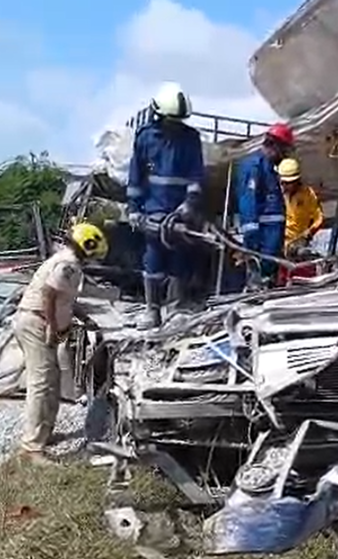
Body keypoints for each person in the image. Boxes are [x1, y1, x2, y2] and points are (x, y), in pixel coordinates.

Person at [12, 222, 107, 465]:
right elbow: (48, 294)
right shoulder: (68, 265)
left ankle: (43, 434)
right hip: (37, 322)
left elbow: (64, 299)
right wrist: (53, 328)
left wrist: (82, 317)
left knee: (51, 380)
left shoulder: (65, 260)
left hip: (37, 320)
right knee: (41, 383)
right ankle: (31, 449)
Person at [126, 82, 205, 329]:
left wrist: (189, 205)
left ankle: (176, 307)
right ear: (158, 115)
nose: (175, 126)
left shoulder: (191, 139)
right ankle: (152, 311)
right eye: (171, 121)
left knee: (180, 259)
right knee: (153, 260)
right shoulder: (146, 138)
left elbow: (196, 177)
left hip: (180, 211)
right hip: (152, 210)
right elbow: (136, 178)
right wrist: (134, 209)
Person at [235, 123, 295, 288]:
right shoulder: (254, 167)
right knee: (258, 286)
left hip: (272, 246)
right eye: (285, 150)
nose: (285, 155)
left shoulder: (271, 170)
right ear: (275, 146)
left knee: (268, 284)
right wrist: (252, 242)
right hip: (261, 245)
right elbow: (248, 203)